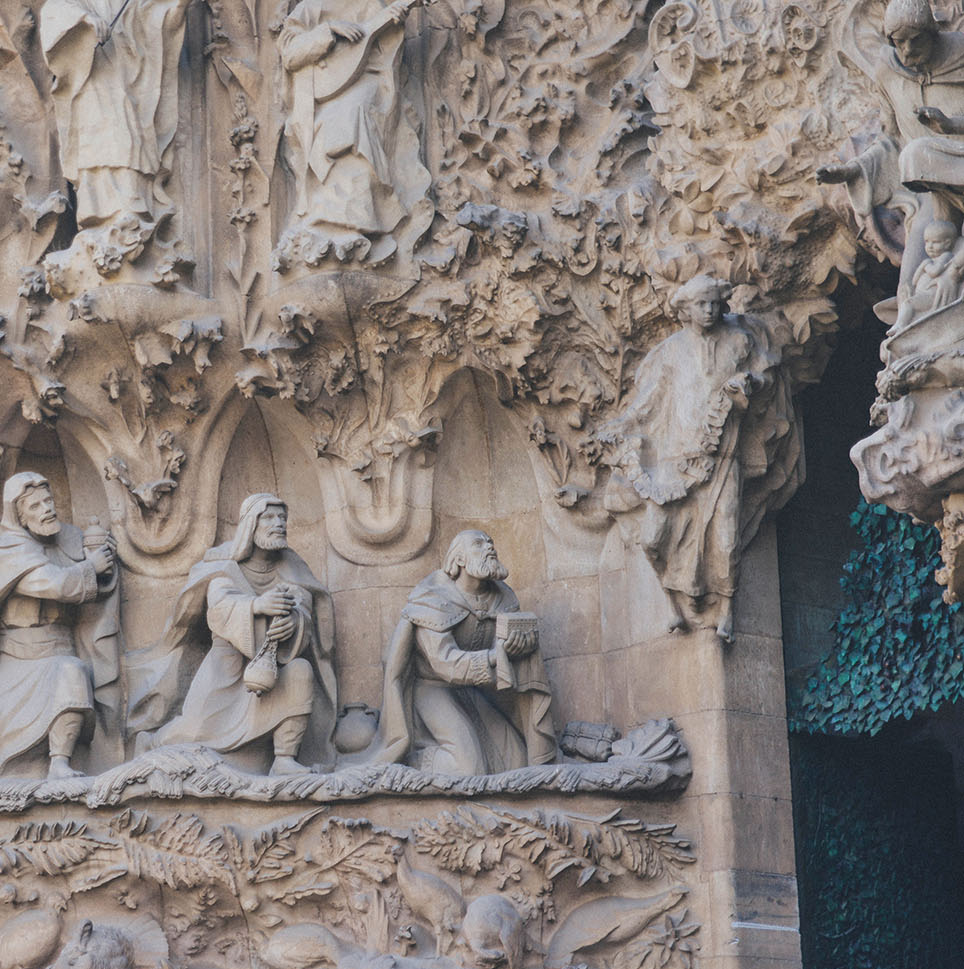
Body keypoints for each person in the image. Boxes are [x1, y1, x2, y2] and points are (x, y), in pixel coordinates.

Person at [596, 276, 796, 641]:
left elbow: (766, 379)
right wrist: (621, 424)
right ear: (684, 311)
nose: (708, 311)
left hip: (723, 457)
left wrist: (749, 383)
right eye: (700, 305)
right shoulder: (670, 351)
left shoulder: (739, 341)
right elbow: (648, 401)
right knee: (653, 539)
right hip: (674, 459)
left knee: (726, 540)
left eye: (713, 303)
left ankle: (727, 609)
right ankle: (672, 603)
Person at [130, 494, 337, 776]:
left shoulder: (291, 568)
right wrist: (257, 606)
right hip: (226, 672)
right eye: (270, 517)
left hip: (273, 670)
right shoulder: (225, 566)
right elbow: (220, 607)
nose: (279, 524)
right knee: (192, 732)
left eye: (282, 518)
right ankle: (151, 742)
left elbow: (304, 608)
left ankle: (284, 759)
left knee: (301, 672)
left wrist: (294, 624)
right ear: (251, 524)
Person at [0, 473, 121, 780]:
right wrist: (91, 567)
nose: (46, 509)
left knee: (71, 671)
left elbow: (92, 589)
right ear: (20, 516)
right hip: (21, 666)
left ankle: (59, 764)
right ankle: (49, 766)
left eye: (48, 501)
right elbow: (56, 585)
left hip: (61, 650)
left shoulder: (69, 540)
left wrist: (103, 558)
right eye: (35, 506)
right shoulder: (11, 553)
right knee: (69, 672)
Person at [365, 531, 555, 775]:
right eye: (478, 544)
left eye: (490, 542)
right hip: (431, 690)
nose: (489, 547)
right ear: (460, 559)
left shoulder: (503, 599)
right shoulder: (433, 599)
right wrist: (496, 656)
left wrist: (522, 646)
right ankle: (413, 760)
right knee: (469, 768)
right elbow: (444, 663)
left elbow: (510, 656)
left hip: (474, 691)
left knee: (516, 761)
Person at [818, 0, 964, 296]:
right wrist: (854, 169)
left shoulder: (961, 56)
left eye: (916, 40)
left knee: (918, 152)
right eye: (899, 43)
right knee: (910, 285)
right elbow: (893, 139)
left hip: (955, 165)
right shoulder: (889, 70)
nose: (908, 51)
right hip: (934, 190)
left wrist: (951, 125)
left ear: (933, 33)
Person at [41, 0, 192, 267]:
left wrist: (177, 9)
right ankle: (100, 217)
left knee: (127, 138)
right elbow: (54, 11)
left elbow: (156, 21)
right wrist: (85, 21)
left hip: (125, 80)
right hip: (89, 78)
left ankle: (130, 214)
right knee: (99, 142)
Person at [276, 0, 424, 268]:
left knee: (354, 115)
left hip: (368, 82)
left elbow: (382, 51)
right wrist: (329, 30)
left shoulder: (370, 4)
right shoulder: (311, 7)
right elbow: (290, 54)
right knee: (330, 130)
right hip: (323, 91)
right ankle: (325, 218)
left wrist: (393, 22)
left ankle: (362, 219)